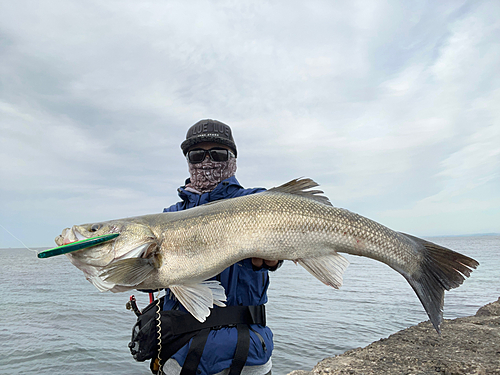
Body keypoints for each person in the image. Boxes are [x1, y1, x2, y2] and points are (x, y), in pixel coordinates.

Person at [159, 119, 281, 375]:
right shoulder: (170, 215)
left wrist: (276, 255)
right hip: (182, 355)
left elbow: (284, 235)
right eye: (196, 155)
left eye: (217, 154)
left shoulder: (257, 201)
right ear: (188, 161)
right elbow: (152, 278)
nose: (207, 162)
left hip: (248, 353)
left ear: (233, 159)